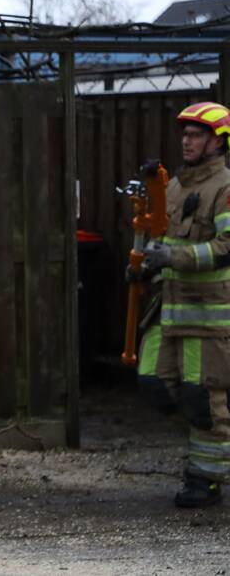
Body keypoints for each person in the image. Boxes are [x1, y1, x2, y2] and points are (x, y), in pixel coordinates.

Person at [136, 101, 230, 508]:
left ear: (218, 141)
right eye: (185, 134)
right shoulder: (173, 186)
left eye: (196, 135)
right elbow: (158, 235)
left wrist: (173, 258)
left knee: (203, 397)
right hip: (169, 310)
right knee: (152, 381)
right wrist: (141, 264)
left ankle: (205, 480)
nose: (186, 140)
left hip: (209, 317)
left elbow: (226, 248)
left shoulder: (225, 188)